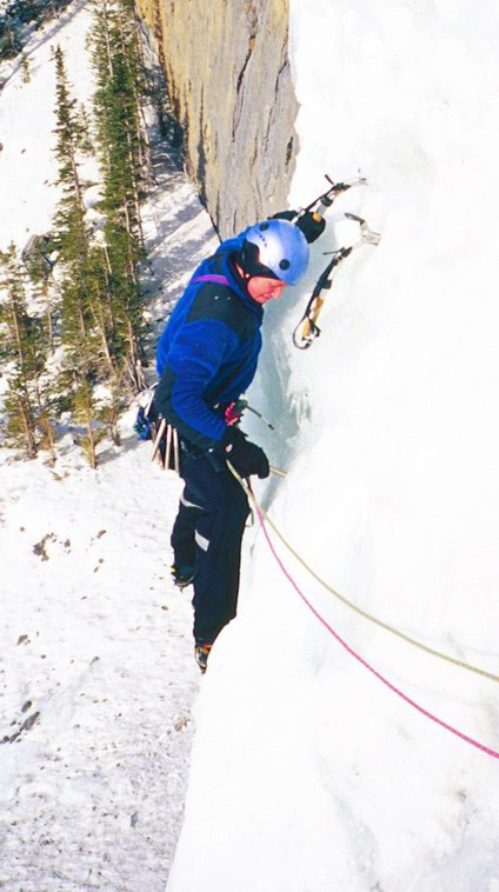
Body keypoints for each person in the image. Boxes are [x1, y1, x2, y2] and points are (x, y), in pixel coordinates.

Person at [154, 213, 322, 672]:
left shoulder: (231, 257)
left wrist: (296, 231)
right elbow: (177, 399)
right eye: (272, 282)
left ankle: (184, 559)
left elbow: (255, 233)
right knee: (227, 510)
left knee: (204, 491)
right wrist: (229, 443)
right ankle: (211, 633)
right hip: (191, 417)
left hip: (199, 409)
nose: (279, 292)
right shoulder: (219, 318)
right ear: (250, 268)